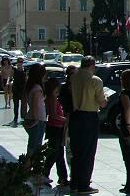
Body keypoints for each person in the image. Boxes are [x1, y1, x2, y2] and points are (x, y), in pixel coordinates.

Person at [69, 56, 106, 195]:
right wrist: (105, 99)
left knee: (76, 151)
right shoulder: (95, 80)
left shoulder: (74, 78)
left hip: (75, 116)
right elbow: (101, 102)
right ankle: (84, 184)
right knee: (88, 152)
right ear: (92, 65)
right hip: (89, 116)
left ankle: (74, 182)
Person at [23, 63, 48, 184]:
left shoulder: (31, 87)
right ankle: (27, 172)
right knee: (34, 148)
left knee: (34, 147)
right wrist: (36, 120)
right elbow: (35, 107)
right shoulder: (37, 89)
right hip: (37, 120)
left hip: (34, 119)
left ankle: (30, 172)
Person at [43, 78, 69, 187]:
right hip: (55, 127)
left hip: (56, 127)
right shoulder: (52, 98)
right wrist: (66, 119)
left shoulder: (52, 97)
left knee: (59, 154)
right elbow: (53, 114)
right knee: (54, 153)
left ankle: (63, 177)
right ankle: (44, 174)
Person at [11, 57, 26, 126]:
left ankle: (23, 117)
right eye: (19, 62)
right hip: (15, 88)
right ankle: (15, 117)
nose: (20, 63)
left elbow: (26, 79)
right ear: (17, 62)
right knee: (16, 104)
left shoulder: (24, 69)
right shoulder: (14, 69)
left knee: (23, 104)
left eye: (21, 62)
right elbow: (11, 77)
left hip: (23, 88)